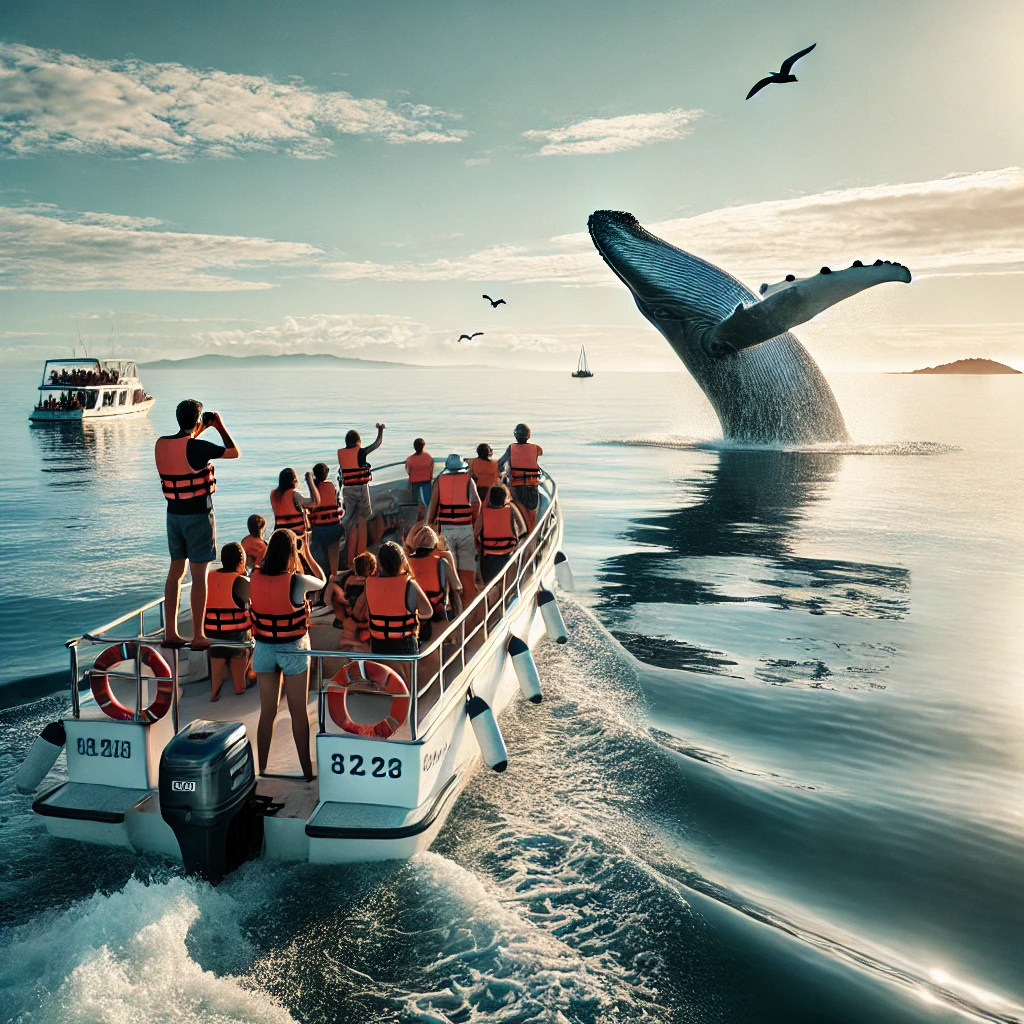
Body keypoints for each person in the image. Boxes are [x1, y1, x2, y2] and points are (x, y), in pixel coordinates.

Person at [155, 399, 240, 648]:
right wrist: (219, 426)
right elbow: (234, 451)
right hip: (198, 516)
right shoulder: (199, 447)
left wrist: (198, 428)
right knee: (199, 575)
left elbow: (185, 445)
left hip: (173, 515)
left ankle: (170, 632)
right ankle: (198, 635)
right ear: (198, 420)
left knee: (176, 573)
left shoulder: (161, 444)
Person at [250, 529, 325, 780]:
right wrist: (308, 553)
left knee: (267, 711)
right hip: (292, 649)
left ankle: (262, 768)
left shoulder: (255, 575)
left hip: (263, 649)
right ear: (293, 551)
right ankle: (306, 771)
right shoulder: (297, 580)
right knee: (298, 713)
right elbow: (322, 581)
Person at [352, 540, 432, 662]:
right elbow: (427, 611)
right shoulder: (409, 584)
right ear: (401, 561)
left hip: (378, 645)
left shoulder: (369, 583)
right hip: (404, 645)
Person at [427, 453, 482, 608]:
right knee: (467, 570)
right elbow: (476, 503)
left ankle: (452, 606)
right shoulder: (468, 480)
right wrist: (475, 524)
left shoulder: (439, 481)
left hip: (446, 531)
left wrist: (428, 526)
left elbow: (432, 506)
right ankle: (469, 606)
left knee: (451, 572)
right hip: (465, 529)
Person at [204, 543, 252, 701]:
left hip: (213, 636)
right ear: (241, 562)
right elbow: (251, 608)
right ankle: (240, 686)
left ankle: (215, 693)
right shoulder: (241, 582)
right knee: (241, 681)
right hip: (237, 639)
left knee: (217, 660)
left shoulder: (209, 577)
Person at [338, 423, 385, 568]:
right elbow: (377, 444)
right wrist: (380, 430)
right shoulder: (361, 452)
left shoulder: (341, 453)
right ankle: (361, 553)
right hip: (360, 489)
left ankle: (340, 536)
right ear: (358, 442)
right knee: (362, 518)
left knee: (349, 518)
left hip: (347, 489)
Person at [406, 524, 463, 644]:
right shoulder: (441, 562)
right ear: (434, 545)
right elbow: (457, 588)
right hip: (437, 612)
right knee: (454, 597)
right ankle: (456, 639)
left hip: (414, 614)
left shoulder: (405, 564)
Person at [475, 484, 527, 583]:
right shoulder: (510, 509)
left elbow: (476, 532)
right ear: (504, 498)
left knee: (490, 584)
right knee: (505, 582)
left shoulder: (484, 512)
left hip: (487, 555)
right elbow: (523, 529)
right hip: (506, 553)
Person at [327, 551, 377, 652]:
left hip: (350, 616)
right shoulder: (373, 584)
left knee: (348, 633)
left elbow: (340, 589)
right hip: (362, 619)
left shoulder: (349, 579)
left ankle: (349, 645)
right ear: (374, 569)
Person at [498, 423, 543, 533]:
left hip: (517, 485)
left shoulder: (511, 448)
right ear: (528, 436)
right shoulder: (536, 448)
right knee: (531, 509)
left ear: (516, 436)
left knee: (519, 509)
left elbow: (500, 463)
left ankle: (521, 530)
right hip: (532, 485)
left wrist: (503, 473)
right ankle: (532, 531)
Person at [308, 462, 343, 582]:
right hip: (335, 527)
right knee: (334, 567)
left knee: (321, 562)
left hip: (320, 529)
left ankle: (323, 581)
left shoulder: (314, 488)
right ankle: (333, 581)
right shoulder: (331, 486)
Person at [270, 468, 319, 545]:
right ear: (293, 481)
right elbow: (315, 501)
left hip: (279, 533)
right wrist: (310, 482)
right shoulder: (294, 494)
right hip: (296, 535)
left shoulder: (274, 494)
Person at [405, 439, 434, 519]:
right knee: (428, 503)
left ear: (414, 447)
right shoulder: (428, 457)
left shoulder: (409, 459)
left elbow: (408, 471)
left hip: (415, 483)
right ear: (423, 446)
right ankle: (429, 518)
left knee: (417, 502)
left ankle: (419, 518)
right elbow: (431, 471)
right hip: (427, 482)